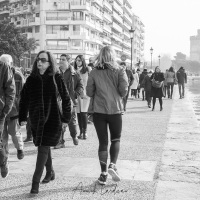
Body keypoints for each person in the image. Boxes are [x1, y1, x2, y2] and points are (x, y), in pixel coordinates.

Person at [18, 50, 72, 194]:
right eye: (38, 60)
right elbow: (24, 99)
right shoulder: (31, 79)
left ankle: (35, 184)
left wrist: (66, 118)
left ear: (50, 63)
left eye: (43, 60)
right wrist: (23, 117)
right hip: (36, 121)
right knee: (44, 146)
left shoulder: (56, 77)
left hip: (53, 120)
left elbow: (66, 99)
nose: (39, 62)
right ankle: (50, 172)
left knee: (42, 149)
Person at [86, 46, 128, 185]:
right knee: (116, 139)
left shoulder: (93, 72)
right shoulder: (120, 70)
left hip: (99, 111)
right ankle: (113, 165)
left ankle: (103, 174)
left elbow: (89, 92)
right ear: (113, 56)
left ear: (100, 56)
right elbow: (123, 90)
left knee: (103, 143)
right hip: (115, 110)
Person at [54, 54, 84, 149]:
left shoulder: (74, 73)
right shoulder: (55, 72)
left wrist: (75, 94)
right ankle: (60, 141)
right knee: (59, 122)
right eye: (60, 59)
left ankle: (74, 135)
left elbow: (81, 86)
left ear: (68, 61)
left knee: (71, 122)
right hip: (58, 101)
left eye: (63, 59)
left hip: (70, 101)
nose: (61, 61)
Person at [0, 55, 25, 161]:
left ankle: (20, 149)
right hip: (2, 110)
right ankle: (5, 156)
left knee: (14, 132)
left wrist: (23, 111)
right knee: (3, 135)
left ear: (11, 63)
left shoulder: (18, 75)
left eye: (7, 63)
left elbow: (24, 93)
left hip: (14, 109)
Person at [0, 58, 15, 179]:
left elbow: (10, 89)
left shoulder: (3, 66)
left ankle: (3, 161)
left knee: (0, 141)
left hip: (0, 112)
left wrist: (6, 110)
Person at [74, 55, 91, 139]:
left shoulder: (88, 70)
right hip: (76, 95)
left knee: (84, 113)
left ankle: (85, 132)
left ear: (83, 61)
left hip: (85, 95)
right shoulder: (74, 70)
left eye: (80, 60)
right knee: (78, 113)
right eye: (77, 60)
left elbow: (91, 82)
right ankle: (80, 132)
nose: (78, 62)